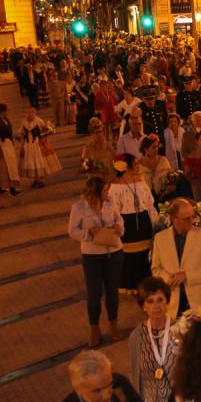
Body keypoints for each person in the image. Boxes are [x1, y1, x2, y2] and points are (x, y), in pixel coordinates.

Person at [68, 176, 125, 347]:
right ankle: (94, 328)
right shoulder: (79, 207)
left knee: (113, 291)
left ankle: (113, 324)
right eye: (104, 190)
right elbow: (72, 230)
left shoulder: (110, 202)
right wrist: (89, 234)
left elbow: (119, 219)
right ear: (96, 192)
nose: (108, 193)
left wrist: (119, 228)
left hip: (114, 251)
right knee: (94, 294)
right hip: (92, 255)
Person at [151, 198, 201, 318]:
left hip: (198, 303)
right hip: (171, 302)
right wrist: (169, 278)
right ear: (174, 219)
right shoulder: (160, 238)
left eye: (192, 217)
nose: (191, 221)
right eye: (186, 219)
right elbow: (156, 269)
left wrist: (187, 275)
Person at [128, 277, 178, 402]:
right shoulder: (136, 337)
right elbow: (135, 373)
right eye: (150, 301)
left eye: (160, 300)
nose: (156, 306)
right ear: (143, 306)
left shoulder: (181, 329)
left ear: (167, 302)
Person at [108, 155, 159, 294]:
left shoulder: (141, 182)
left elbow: (149, 203)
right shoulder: (116, 186)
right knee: (128, 255)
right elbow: (113, 209)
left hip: (143, 221)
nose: (138, 166)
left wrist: (154, 221)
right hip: (127, 223)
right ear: (126, 167)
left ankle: (145, 283)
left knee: (145, 253)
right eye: (135, 164)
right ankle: (129, 284)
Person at [0, 103, 21, 196]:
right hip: (1, 148)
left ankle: (1, 188)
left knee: (7, 167)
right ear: (3, 111)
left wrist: (14, 136)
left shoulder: (5, 120)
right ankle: (11, 188)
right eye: (6, 111)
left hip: (7, 145)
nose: (8, 112)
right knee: (6, 168)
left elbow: (7, 132)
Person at [19, 106, 51, 189]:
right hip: (28, 144)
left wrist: (47, 132)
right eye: (27, 113)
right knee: (31, 162)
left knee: (38, 161)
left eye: (31, 113)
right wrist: (21, 140)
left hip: (36, 144)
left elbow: (45, 130)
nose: (29, 114)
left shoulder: (38, 120)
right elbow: (21, 132)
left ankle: (41, 179)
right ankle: (35, 179)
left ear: (34, 113)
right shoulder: (24, 121)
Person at [137, 135, 172, 200]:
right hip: (145, 198)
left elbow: (170, 179)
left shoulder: (163, 160)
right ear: (146, 149)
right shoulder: (139, 164)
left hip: (164, 197)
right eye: (153, 147)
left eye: (157, 147)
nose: (156, 149)